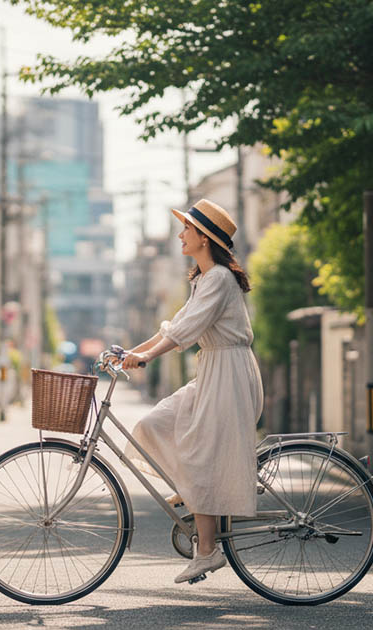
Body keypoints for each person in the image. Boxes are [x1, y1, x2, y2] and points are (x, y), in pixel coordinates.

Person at [118, 198, 264, 584]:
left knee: (201, 455)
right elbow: (174, 326)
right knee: (156, 423)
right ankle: (191, 490)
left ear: (205, 238)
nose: (181, 235)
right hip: (214, 371)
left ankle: (208, 551)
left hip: (230, 374)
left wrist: (146, 357)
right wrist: (133, 352)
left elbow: (187, 330)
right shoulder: (204, 278)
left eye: (187, 229)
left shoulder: (219, 279)